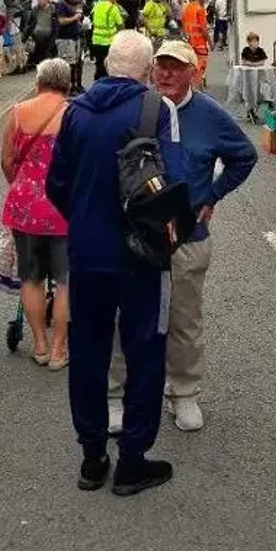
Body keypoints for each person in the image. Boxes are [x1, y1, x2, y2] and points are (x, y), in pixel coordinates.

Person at [46, 30, 187, 497]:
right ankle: (132, 459)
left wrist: (85, 220)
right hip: (142, 255)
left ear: (107, 65)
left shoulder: (74, 112)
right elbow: (174, 181)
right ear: (146, 71)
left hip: (87, 253)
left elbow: (56, 184)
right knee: (145, 351)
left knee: (88, 353)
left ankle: (92, 456)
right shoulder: (157, 109)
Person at [106, 41, 257, 433]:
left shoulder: (209, 114)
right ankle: (114, 395)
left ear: (195, 72)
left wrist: (213, 195)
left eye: (176, 67)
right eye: (161, 66)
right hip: (135, 235)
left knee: (185, 319)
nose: (166, 73)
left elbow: (245, 156)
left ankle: (184, 393)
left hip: (187, 235)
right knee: (123, 316)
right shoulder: (138, 107)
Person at [1, 58, 71, 370]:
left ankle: (40, 345)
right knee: (65, 280)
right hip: (64, 208)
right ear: (67, 84)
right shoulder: (74, 114)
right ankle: (59, 350)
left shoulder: (18, 113)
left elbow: (7, 161)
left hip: (26, 206)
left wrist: (22, 186)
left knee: (30, 277)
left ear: (38, 82)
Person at [90, 0, 126, 82]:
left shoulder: (97, 5)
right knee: (108, 66)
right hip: (108, 42)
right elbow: (120, 25)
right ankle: (106, 84)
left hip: (96, 40)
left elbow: (91, 17)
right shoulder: (113, 8)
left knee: (99, 65)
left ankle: (97, 83)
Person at [55, 0, 86, 92]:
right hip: (65, 39)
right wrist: (75, 18)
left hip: (75, 37)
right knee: (68, 64)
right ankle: (68, 87)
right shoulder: (61, 4)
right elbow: (61, 21)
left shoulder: (72, 4)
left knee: (77, 63)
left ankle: (76, 85)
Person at [182, 0, 210, 87]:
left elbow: (184, 26)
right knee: (200, 68)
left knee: (192, 67)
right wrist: (210, 42)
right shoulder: (199, 9)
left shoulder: (186, 9)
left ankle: (193, 87)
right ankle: (196, 89)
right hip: (200, 43)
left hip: (190, 43)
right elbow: (203, 28)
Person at [24, 0, 56, 65]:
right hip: (37, 39)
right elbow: (30, 24)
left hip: (49, 39)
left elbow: (56, 24)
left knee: (48, 60)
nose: (40, 1)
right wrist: (26, 36)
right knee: (38, 60)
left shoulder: (53, 10)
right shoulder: (35, 10)